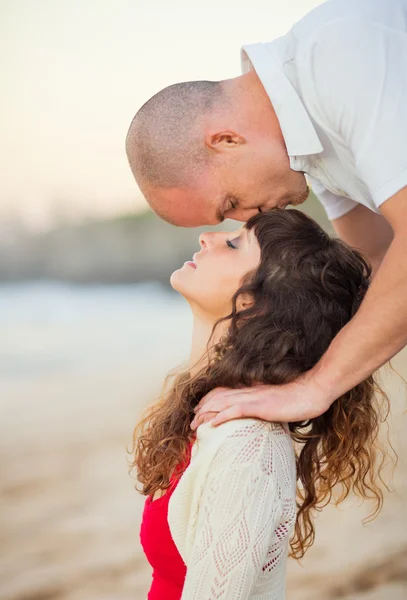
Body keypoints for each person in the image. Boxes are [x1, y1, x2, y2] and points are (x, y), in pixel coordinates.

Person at [125, 0, 407, 428]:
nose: (247, 219)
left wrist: (314, 388)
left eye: (229, 204)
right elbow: (374, 268)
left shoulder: (341, 59)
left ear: (225, 140)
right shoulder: (308, 147)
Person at [131, 209, 389, 600]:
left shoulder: (248, 448)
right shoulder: (212, 413)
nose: (207, 237)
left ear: (257, 304)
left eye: (234, 244)